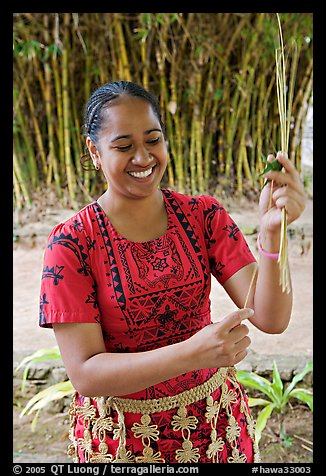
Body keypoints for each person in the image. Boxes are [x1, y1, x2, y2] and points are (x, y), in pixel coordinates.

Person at [39, 80, 306, 464]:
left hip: (217, 428)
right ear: (94, 152)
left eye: (153, 140)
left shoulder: (203, 217)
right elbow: (85, 373)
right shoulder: (71, 244)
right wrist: (191, 355)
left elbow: (271, 318)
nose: (143, 157)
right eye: (124, 146)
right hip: (124, 442)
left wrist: (273, 233)